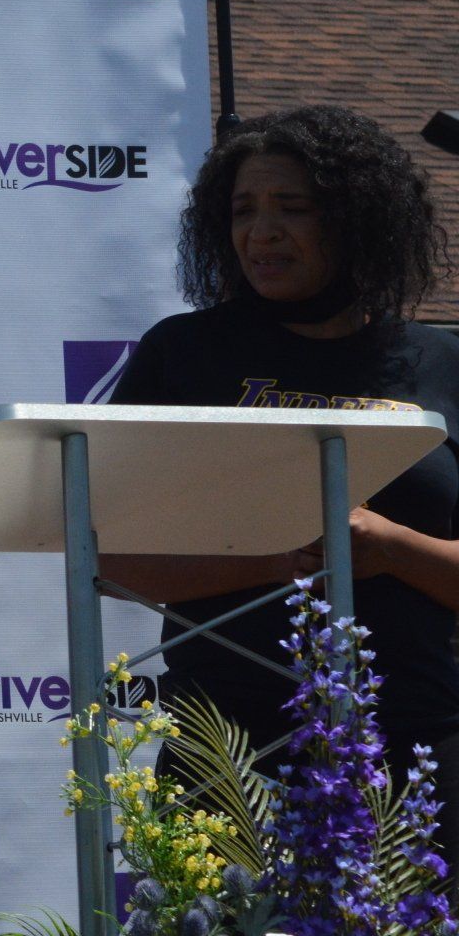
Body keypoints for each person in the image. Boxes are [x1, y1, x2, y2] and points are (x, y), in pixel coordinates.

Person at [103, 104, 459, 867]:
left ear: (359, 217)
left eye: (291, 208)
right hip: (227, 754)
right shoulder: (183, 356)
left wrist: (389, 547)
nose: (261, 232)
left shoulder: (442, 364)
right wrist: (279, 560)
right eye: (242, 211)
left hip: (417, 752)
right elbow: (109, 557)